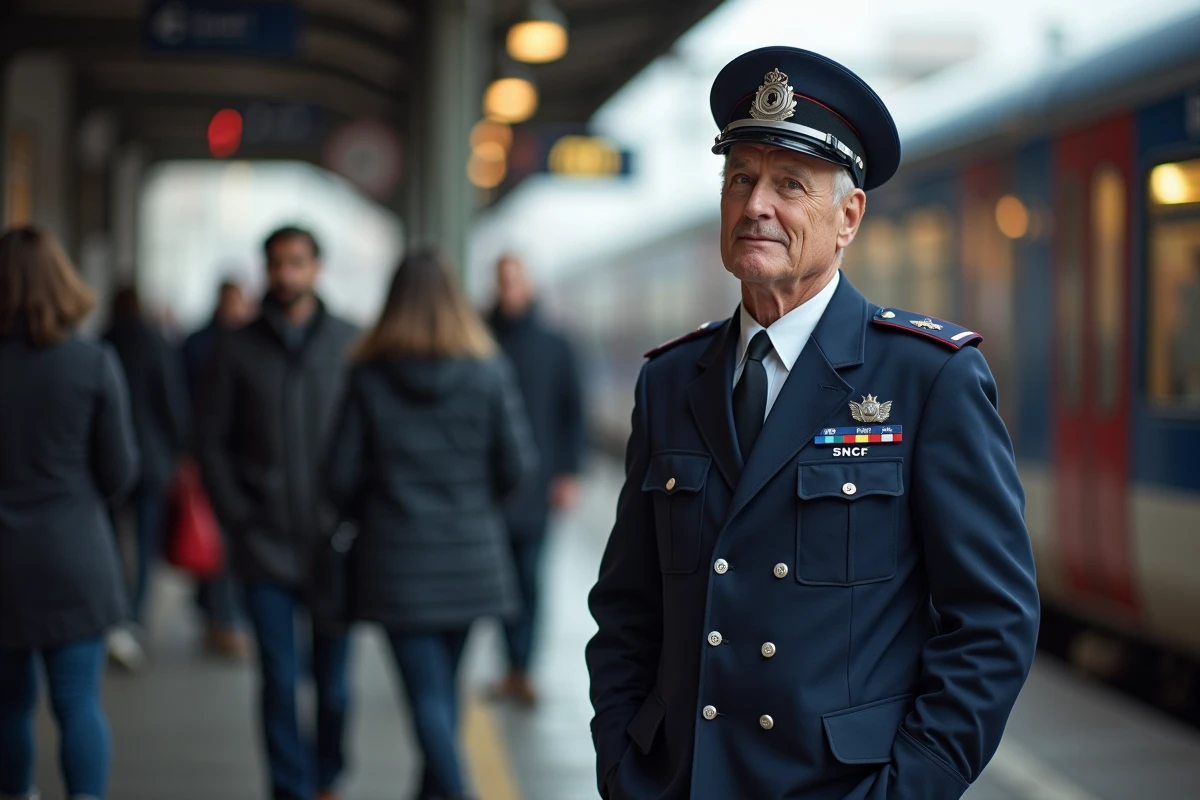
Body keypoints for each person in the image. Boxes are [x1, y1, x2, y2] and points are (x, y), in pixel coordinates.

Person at [585, 48, 1040, 800]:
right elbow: (628, 606)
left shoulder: (928, 378)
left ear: (848, 217)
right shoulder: (670, 380)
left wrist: (910, 788)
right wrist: (623, 764)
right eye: (741, 179)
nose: (756, 204)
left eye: (789, 185)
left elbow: (992, 622)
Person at [324, 249, 536, 800]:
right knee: (441, 696)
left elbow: (339, 475)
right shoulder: (488, 371)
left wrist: (372, 507)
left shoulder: (368, 376)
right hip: (469, 559)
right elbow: (517, 466)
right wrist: (471, 507)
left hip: (396, 561)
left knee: (429, 700)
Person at [194, 226, 358, 800]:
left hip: (335, 544)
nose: (286, 275)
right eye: (277, 264)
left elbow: (369, 438)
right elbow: (209, 439)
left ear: (317, 268)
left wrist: (356, 513)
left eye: (297, 263)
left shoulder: (351, 343)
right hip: (261, 544)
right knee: (279, 681)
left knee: (334, 686)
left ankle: (328, 774)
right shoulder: (236, 347)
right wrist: (236, 514)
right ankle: (290, 788)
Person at [0, 225, 140, 800]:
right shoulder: (93, 362)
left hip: (3, 564)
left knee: (9, 704)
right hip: (74, 556)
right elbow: (120, 473)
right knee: (77, 700)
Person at [487, 254, 585, 706]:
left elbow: (572, 413)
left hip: (540, 483)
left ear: (528, 285)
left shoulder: (555, 344)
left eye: (515, 280)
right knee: (497, 579)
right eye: (502, 280)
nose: (509, 288)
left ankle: (522, 669)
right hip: (488, 487)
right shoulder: (480, 338)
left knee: (529, 577)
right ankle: (508, 665)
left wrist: (569, 474)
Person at [102, 285, 191, 671]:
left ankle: (113, 612)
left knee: (109, 541)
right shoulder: (155, 342)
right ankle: (134, 618)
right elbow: (172, 399)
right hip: (151, 459)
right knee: (144, 541)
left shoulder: (101, 342)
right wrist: (180, 449)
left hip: (104, 462)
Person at [181, 278, 253, 659]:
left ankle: (216, 611)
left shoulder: (237, 344)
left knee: (214, 539)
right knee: (213, 539)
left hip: (230, 458)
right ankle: (221, 616)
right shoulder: (208, 343)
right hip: (213, 455)